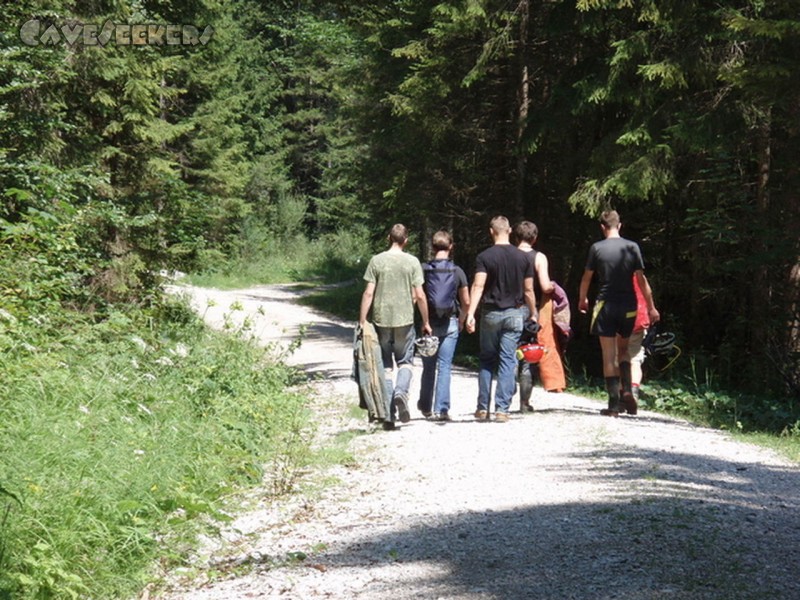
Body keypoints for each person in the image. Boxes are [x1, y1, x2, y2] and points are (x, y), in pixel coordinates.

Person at [578, 210, 659, 416]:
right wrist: (650, 307)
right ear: (619, 225)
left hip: (605, 304)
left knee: (609, 355)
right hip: (629, 305)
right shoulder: (632, 247)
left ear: (602, 227)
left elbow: (587, 277)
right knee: (624, 352)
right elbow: (641, 280)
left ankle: (613, 405)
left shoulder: (597, 248)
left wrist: (583, 299)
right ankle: (627, 393)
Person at [359, 224, 432, 428]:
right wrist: (426, 321)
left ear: (388, 238)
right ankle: (402, 392)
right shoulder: (412, 262)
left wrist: (362, 321)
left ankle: (389, 414)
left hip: (381, 320)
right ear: (405, 240)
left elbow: (368, 293)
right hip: (405, 321)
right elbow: (419, 295)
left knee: (385, 366)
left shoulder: (377, 261)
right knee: (406, 362)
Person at [465, 216, 537, 422]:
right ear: (510, 231)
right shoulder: (524, 258)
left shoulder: (485, 257)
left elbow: (478, 286)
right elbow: (529, 289)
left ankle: (482, 408)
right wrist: (532, 312)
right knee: (508, 359)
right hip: (515, 313)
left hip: (491, 313)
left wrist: (470, 313)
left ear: (491, 231)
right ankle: (502, 409)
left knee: (487, 359)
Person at [417, 230, 470, 421]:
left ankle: (425, 406)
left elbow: (418, 296)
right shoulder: (457, 271)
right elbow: (466, 300)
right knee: (445, 366)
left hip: (427, 324)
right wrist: (463, 318)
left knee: (428, 367)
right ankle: (442, 409)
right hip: (450, 323)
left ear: (433, 247)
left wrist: (422, 321)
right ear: (451, 247)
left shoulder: (423, 269)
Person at [513, 221, 556, 411]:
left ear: (515, 237)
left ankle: (505, 393)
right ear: (535, 238)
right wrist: (553, 288)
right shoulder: (539, 257)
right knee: (529, 355)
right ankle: (524, 403)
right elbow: (545, 286)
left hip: (507, 307)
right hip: (530, 309)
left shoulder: (508, 254)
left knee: (510, 354)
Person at [629, 273, 652, 402]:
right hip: (638, 320)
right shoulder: (639, 275)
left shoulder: (612, 274)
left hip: (616, 320)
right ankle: (633, 390)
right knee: (635, 359)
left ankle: (621, 394)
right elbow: (648, 292)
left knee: (616, 357)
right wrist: (652, 310)